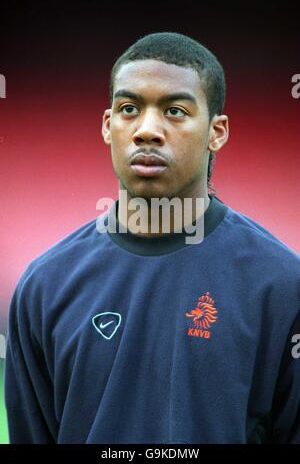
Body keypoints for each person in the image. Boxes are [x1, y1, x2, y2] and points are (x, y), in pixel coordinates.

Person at [5, 32, 300, 444]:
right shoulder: (45, 285)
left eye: (175, 111)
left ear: (217, 131)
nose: (147, 130)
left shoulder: (282, 284)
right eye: (129, 109)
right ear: (109, 125)